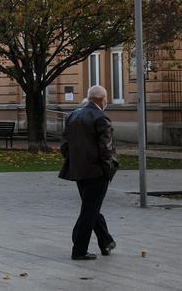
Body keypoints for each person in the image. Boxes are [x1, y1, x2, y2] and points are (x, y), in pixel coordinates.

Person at [58, 84, 118, 260]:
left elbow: (64, 145)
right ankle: (79, 248)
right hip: (96, 171)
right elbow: (107, 149)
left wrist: (73, 161)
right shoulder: (101, 118)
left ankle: (106, 241)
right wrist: (109, 170)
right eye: (106, 98)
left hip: (78, 170)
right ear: (102, 99)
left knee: (91, 208)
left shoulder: (73, 115)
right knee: (90, 210)